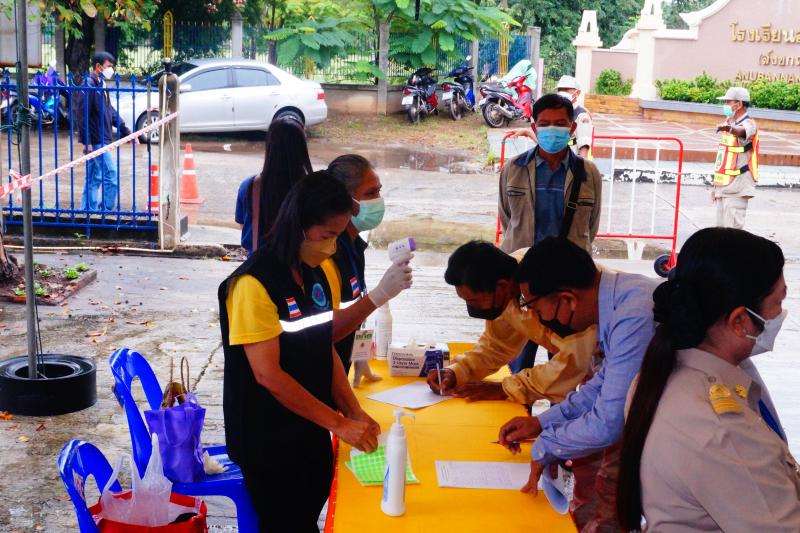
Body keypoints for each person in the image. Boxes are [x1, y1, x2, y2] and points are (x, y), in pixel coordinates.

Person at [219, 171, 380, 532]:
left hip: (308, 426)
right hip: (268, 438)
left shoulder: (315, 273)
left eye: (337, 235)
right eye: (326, 236)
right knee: (284, 521)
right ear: (299, 227)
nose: (333, 246)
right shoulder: (253, 284)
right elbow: (268, 375)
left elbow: (323, 348)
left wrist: (354, 411)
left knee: (307, 512)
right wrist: (340, 424)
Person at [618, 227, 799, 532]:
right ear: (740, 321)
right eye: (778, 303)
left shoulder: (661, 374)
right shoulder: (724, 431)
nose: (781, 315)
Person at [498, 237, 657, 532]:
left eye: (537, 309)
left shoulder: (632, 315)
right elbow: (601, 387)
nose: (538, 318)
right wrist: (542, 423)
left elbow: (609, 422)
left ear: (567, 299)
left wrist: (547, 445)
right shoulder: (619, 302)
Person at [500, 93, 603, 374]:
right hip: (523, 281)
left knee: (566, 364)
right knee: (518, 362)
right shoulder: (514, 169)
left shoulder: (588, 173)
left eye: (559, 124)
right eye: (544, 124)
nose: (551, 130)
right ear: (534, 127)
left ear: (572, 128)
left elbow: (590, 227)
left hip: (568, 286)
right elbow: (508, 219)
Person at [425, 240, 598, 405]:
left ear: (503, 286)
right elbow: (496, 347)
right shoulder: (504, 289)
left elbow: (574, 359)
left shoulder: (549, 282)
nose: (472, 308)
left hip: (604, 360)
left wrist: (507, 388)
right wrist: (457, 371)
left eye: (474, 301)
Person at [326, 154, 412, 385]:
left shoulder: (355, 245)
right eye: (370, 193)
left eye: (379, 191)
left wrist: (359, 354)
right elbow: (326, 330)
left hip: (342, 368)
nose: (378, 200)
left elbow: (355, 308)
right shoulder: (329, 252)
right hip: (326, 372)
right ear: (346, 200)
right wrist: (380, 294)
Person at [235, 117, 312, 255]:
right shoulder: (312, 189)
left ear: (269, 145)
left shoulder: (249, 187)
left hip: (260, 266)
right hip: (301, 265)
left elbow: (244, 227)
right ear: (302, 147)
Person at [79, 51, 134, 212]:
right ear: (98, 66)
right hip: (96, 139)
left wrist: (126, 130)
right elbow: (82, 114)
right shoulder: (88, 84)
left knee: (93, 177)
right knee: (111, 175)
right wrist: (87, 141)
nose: (111, 69)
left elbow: (110, 111)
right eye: (109, 66)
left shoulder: (100, 84)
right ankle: (106, 211)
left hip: (102, 137)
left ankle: (87, 211)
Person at [713, 87, 759, 229]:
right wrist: (716, 187)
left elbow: (741, 131)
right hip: (724, 187)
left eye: (728, 102)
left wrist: (730, 129)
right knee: (719, 233)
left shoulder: (749, 124)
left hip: (737, 188)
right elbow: (723, 158)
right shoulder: (729, 122)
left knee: (732, 235)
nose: (725, 105)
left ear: (738, 104)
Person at [556, 75, 593, 159]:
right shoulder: (556, 111)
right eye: (560, 90)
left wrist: (580, 165)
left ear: (577, 93)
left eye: (566, 90)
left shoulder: (581, 115)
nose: (562, 93)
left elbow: (583, 148)